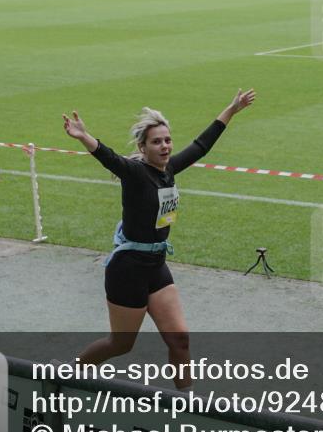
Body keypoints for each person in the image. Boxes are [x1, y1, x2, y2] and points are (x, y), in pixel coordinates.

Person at [62, 88, 255, 390]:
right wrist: (84, 136)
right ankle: (66, 374)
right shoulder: (135, 173)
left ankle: (188, 406)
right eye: (156, 142)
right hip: (127, 269)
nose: (165, 146)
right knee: (120, 344)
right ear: (142, 147)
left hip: (156, 264)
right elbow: (108, 156)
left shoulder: (169, 170)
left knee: (180, 339)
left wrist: (232, 109)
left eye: (167, 140)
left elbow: (202, 145)